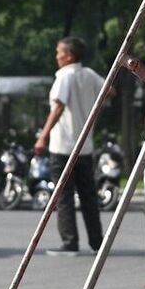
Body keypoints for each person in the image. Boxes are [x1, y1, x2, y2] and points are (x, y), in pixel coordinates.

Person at [33, 36, 107, 255]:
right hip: (85, 147)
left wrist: (42, 137)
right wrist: (90, 111)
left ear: (69, 56)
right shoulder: (90, 75)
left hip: (63, 148)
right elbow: (110, 91)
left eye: (59, 53)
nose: (56, 56)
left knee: (64, 196)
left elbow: (58, 107)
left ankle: (70, 242)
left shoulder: (64, 76)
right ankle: (97, 242)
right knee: (88, 197)